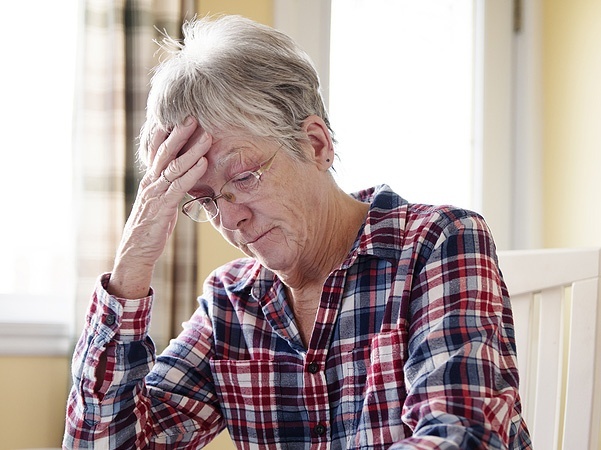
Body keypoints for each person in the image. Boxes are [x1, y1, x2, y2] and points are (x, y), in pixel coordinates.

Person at [64, 14, 532, 449]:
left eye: (244, 177)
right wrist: (132, 263)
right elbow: (108, 443)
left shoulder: (438, 242)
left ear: (316, 144)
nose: (228, 220)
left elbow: (462, 434)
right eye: (205, 199)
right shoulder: (231, 302)